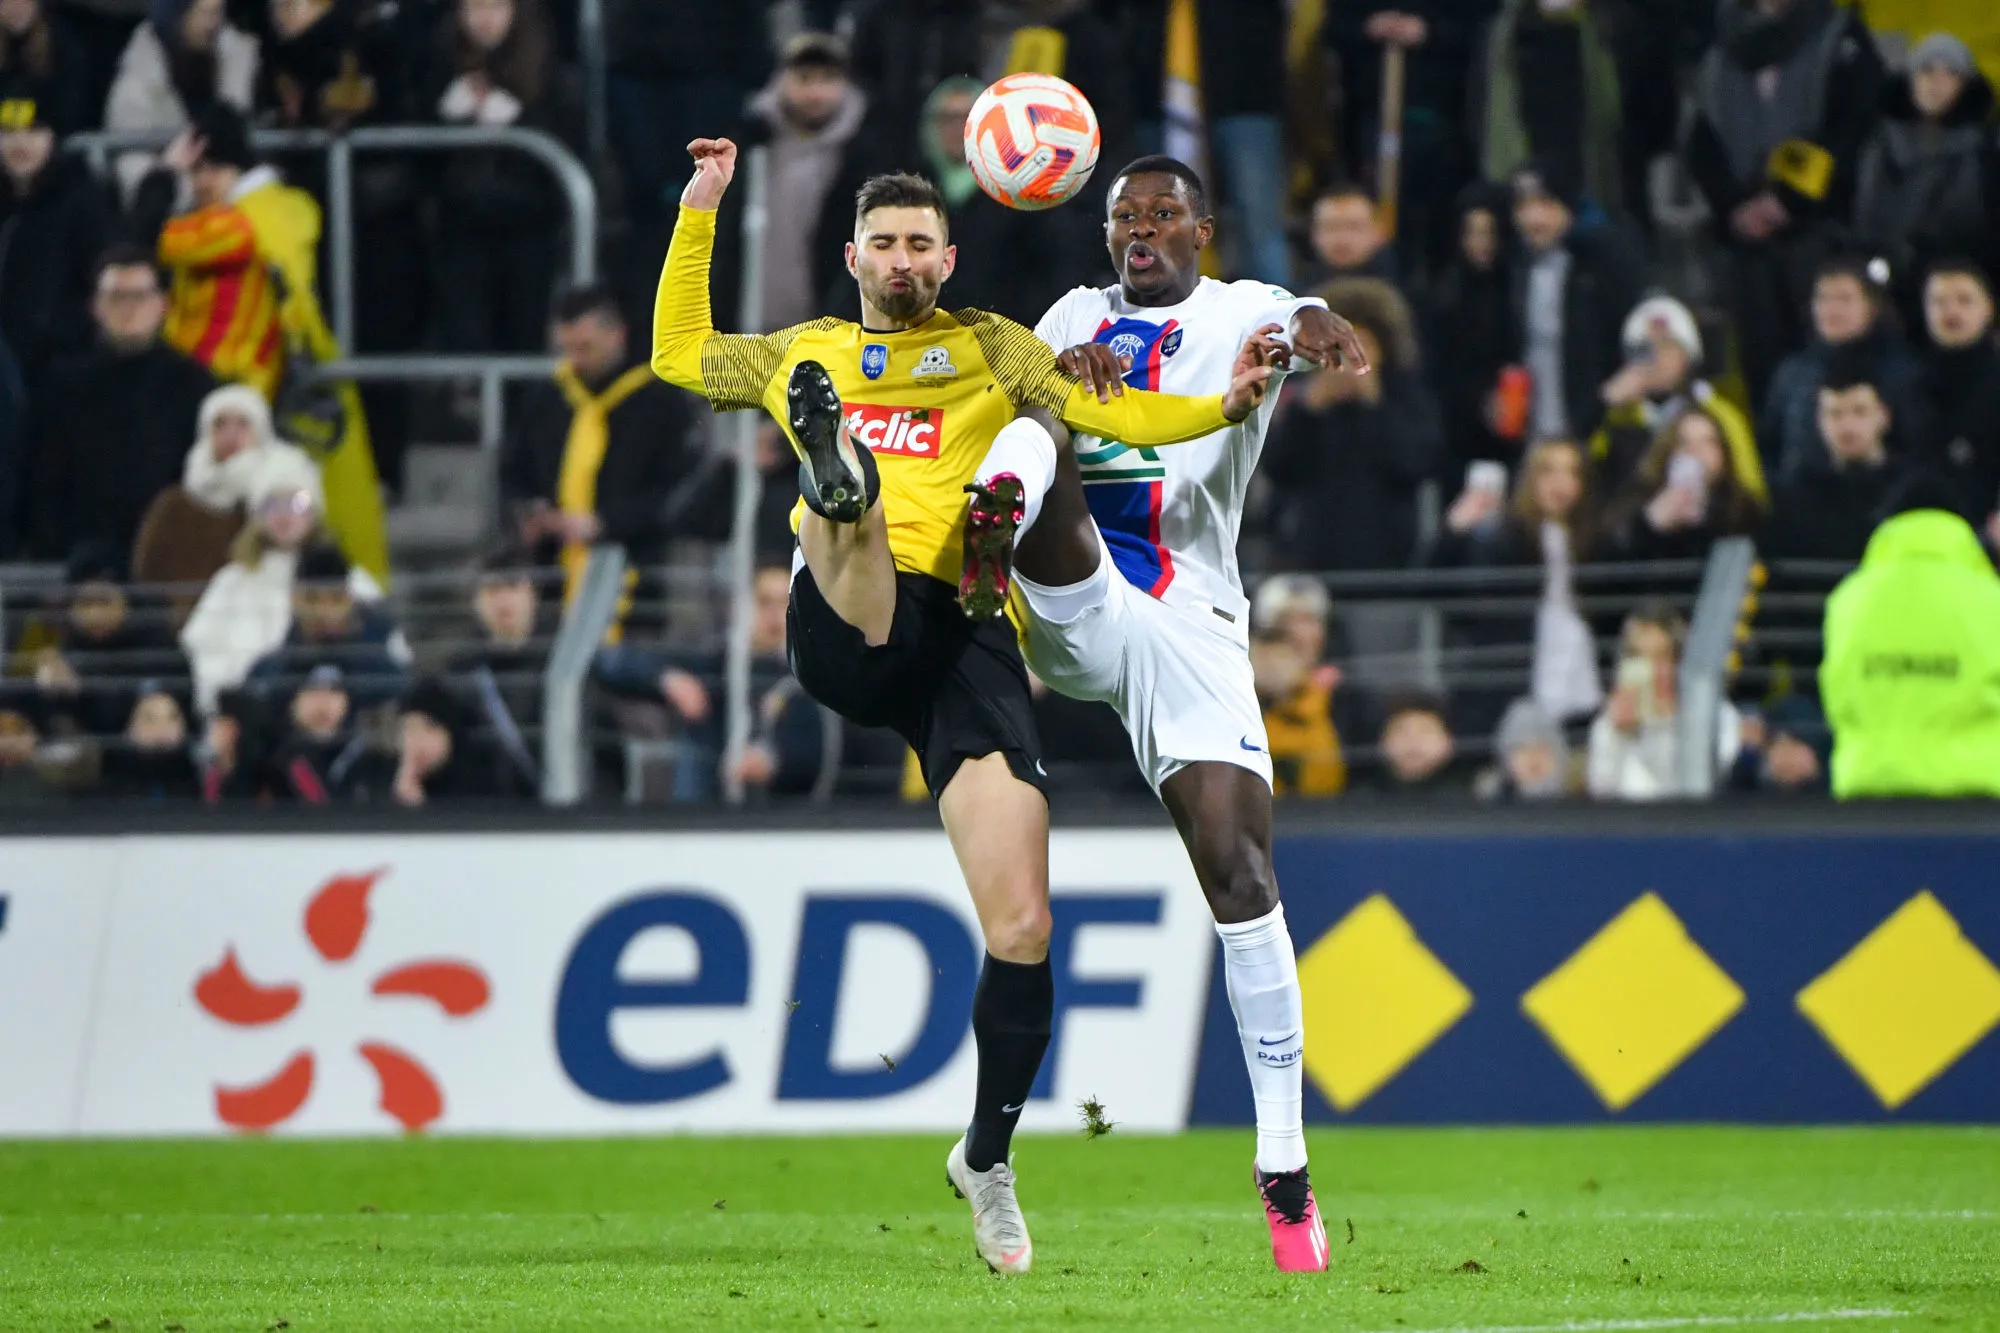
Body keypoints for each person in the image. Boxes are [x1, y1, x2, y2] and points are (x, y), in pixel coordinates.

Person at [655, 138, 1282, 1275]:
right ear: (852, 255)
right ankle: (829, 467)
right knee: (849, 509)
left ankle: (985, 1158)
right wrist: (700, 206)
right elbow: (679, 354)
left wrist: (1221, 407)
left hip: (963, 643)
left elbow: (1118, 422)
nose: (900, 261)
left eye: (918, 245)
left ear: (949, 254)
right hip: (846, 620)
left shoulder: (997, 347)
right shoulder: (813, 347)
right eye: (882, 244)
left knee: (1023, 927)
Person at [967, 155, 1373, 1271]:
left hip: (1190, 620)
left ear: (1203, 226)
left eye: (1160, 216)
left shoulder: (1239, 308)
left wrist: (1321, 323)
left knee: (1240, 876)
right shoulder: (1073, 312)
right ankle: (989, 530)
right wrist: (1059, 369)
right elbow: (1022, 377)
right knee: (1039, 431)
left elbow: (1293, 315)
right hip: (1080, 589)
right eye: (1120, 218)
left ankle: (1282, 1169)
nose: (1138, 232)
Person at [135, 101, 387, 579]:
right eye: (196, 172)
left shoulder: (241, 223)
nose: (200, 183)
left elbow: (152, 238)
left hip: (239, 393)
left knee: (243, 522)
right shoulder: (276, 214)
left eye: (211, 169)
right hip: (235, 394)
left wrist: (160, 176)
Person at [1685, 0, 1887, 405]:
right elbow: (1700, 139)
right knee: (1760, 371)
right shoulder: (1718, 46)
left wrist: (1788, 202)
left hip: (1822, 235)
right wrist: (1735, 205)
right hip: (1745, 246)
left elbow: (1853, 128)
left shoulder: (1840, 35)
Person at [502, 282, 714, 605]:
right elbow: (513, 470)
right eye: (566, 348)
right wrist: (531, 509)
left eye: (585, 347)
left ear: (617, 334)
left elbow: (678, 490)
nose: (574, 360)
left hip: (636, 571)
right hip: (553, 575)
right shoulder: (547, 397)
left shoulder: (660, 402)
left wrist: (606, 523)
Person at [28, 244, 214, 564]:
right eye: (116, 297)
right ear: (96, 307)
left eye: (140, 296)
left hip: (169, 564)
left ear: (162, 305)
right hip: (82, 564)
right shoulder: (63, 385)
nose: (129, 309)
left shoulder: (196, 385)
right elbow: (45, 481)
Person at [1820, 486, 2000, 798]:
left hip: (1868, 783)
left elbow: (1836, 692)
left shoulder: (1848, 598)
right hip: (1975, 789)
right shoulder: (1991, 597)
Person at [1260, 276, 1443, 572]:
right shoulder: (1301, 399)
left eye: (1363, 345)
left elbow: (1414, 464)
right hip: (1310, 555)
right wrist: (1310, 408)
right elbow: (1278, 467)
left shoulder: (1406, 397)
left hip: (1388, 558)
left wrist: (1373, 403)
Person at [426, 0, 569, 355]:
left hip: (528, 230)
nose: (483, 19)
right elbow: (417, 162)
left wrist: (521, 121)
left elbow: (570, 141)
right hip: (461, 228)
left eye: (495, 7)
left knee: (524, 336)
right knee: (467, 335)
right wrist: (440, 117)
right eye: (473, 8)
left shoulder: (546, 67)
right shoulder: (439, 62)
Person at [1432, 437, 1603, 725]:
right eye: (1548, 471)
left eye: (1571, 472)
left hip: (1576, 675)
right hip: (1512, 683)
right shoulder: (1506, 538)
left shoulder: (1589, 541)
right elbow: (1447, 594)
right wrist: (1454, 531)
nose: (1560, 483)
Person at [179, 486, 384, 713]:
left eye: (297, 504)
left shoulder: (350, 577)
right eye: (272, 504)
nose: (284, 515)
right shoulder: (231, 581)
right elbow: (202, 648)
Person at [1853, 33, 2000, 317]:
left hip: (1961, 291)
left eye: (1950, 73)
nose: (1937, 83)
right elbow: (1862, 218)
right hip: (1886, 289)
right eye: (1927, 71)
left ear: (1965, 84)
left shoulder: (1985, 151)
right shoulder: (1876, 143)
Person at [1508, 159, 1646, 447]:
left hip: (1595, 434)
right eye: (1522, 206)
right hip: (1532, 435)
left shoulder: (1603, 261)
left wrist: (1611, 395)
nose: (1533, 218)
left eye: (1545, 203)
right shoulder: (1513, 269)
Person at [1760, 258, 1924, 481]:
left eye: (1845, 299)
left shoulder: (1902, 373)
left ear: (1871, 306)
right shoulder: (1793, 373)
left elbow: (1915, 446)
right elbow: (1770, 444)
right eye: (1823, 299)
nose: (1832, 309)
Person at [1590, 294, 1765, 500]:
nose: (1657, 360)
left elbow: (1751, 492)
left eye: (1668, 347)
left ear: (1689, 357)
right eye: (1645, 349)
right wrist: (1602, 404)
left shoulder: (1719, 415)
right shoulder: (1616, 418)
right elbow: (1582, 474)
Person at [0, 90, 113, 386]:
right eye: (8, 131)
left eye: (33, 130)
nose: (19, 143)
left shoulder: (83, 202)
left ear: (53, 138)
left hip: (61, 370)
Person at [1474, 0, 1625, 220]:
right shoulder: (1504, 35)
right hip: (1523, 172)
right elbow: (1483, 113)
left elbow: (1613, 113)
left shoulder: (1603, 30)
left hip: (1583, 172)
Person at [103, 0, 258, 203]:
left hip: (238, 211)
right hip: (170, 220)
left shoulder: (237, 59)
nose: (211, 23)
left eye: (216, 12)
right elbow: (135, 179)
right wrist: (193, 186)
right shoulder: (137, 85)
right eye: (201, 12)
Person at [1586, 603, 1743, 800]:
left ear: (1679, 661)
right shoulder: (1610, 721)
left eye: (1660, 656)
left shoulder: (1718, 716)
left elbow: (1702, 785)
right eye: (1638, 656)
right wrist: (1618, 735)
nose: (1648, 668)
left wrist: (1664, 723)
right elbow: (1601, 790)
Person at [1765, 358, 1911, 562]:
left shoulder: (1910, 488)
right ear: (1818, 420)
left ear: (1884, 416)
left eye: (1859, 412)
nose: (1847, 426)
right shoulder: (1796, 495)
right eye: (1834, 414)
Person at [1429, 180, 1519, 473]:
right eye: (1471, 232)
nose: (1479, 243)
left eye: (1488, 233)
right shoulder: (1446, 293)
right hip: (1459, 433)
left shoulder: (1517, 287)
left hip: (1512, 425)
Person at [445, 547, 548, 794]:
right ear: (474, 602)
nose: (503, 600)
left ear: (534, 595)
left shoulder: (564, 658)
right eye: (491, 590)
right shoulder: (460, 671)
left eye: (512, 587)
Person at [1605, 407, 1767, 559]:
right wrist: (1649, 524)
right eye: (1684, 442)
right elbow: (1610, 561)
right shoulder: (1637, 500)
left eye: (1708, 442)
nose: (1695, 450)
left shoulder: (1742, 509)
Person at [1913, 260, 2000, 527]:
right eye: (1939, 302)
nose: (1951, 311)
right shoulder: (1908, 384)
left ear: (1988, 309)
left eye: (1964, 300)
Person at [182, 381, 320, 515]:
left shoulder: (288, 475)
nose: (230, 435)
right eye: (220, 423)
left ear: (261, 432)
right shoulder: (182, 504)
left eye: (243, 423)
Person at [99, 680, 199, 798]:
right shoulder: (105, 796)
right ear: (129, 728)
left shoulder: (204, 792)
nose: (162, 729)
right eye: (149, 719)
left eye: (172, 717)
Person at [0, 0, 88, 132]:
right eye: (6, 2)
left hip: (48, 138)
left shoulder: (61, 45)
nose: (15, 8)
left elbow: (70, 106)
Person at [1297, 184, 1400, 290]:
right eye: (1331, 228)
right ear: (1313, 234)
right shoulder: (1292, 300)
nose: (1342, 240)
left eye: (1354, 227)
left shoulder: (1405, 296)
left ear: (1379, 232)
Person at [1475, 695, 1573, 800]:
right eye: (1523, 749)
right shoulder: (1491, 807)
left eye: (1542, 748)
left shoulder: (1578, 804)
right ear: (1506, 757)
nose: (1533, 757)